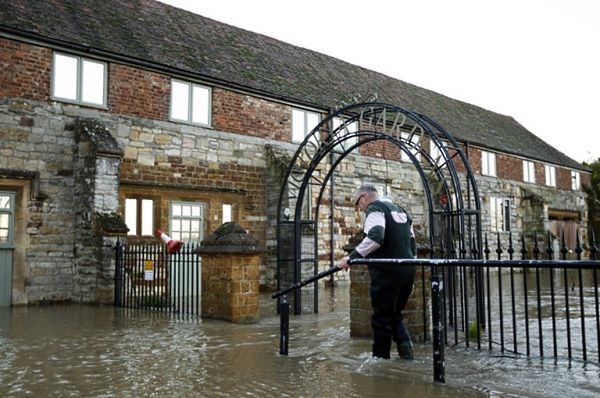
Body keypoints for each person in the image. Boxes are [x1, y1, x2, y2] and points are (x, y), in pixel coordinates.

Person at [339, 185, 417, 360]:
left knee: (381, 319)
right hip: (408, 270)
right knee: (395, 315)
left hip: (387, 272)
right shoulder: (401, 210)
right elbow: (412, 243)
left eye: (358, 203)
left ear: (365, 197)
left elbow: (376, 236)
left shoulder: (375, 208)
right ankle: (407, 356)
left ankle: (380, 362)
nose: (359, 208)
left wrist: (351, 258)